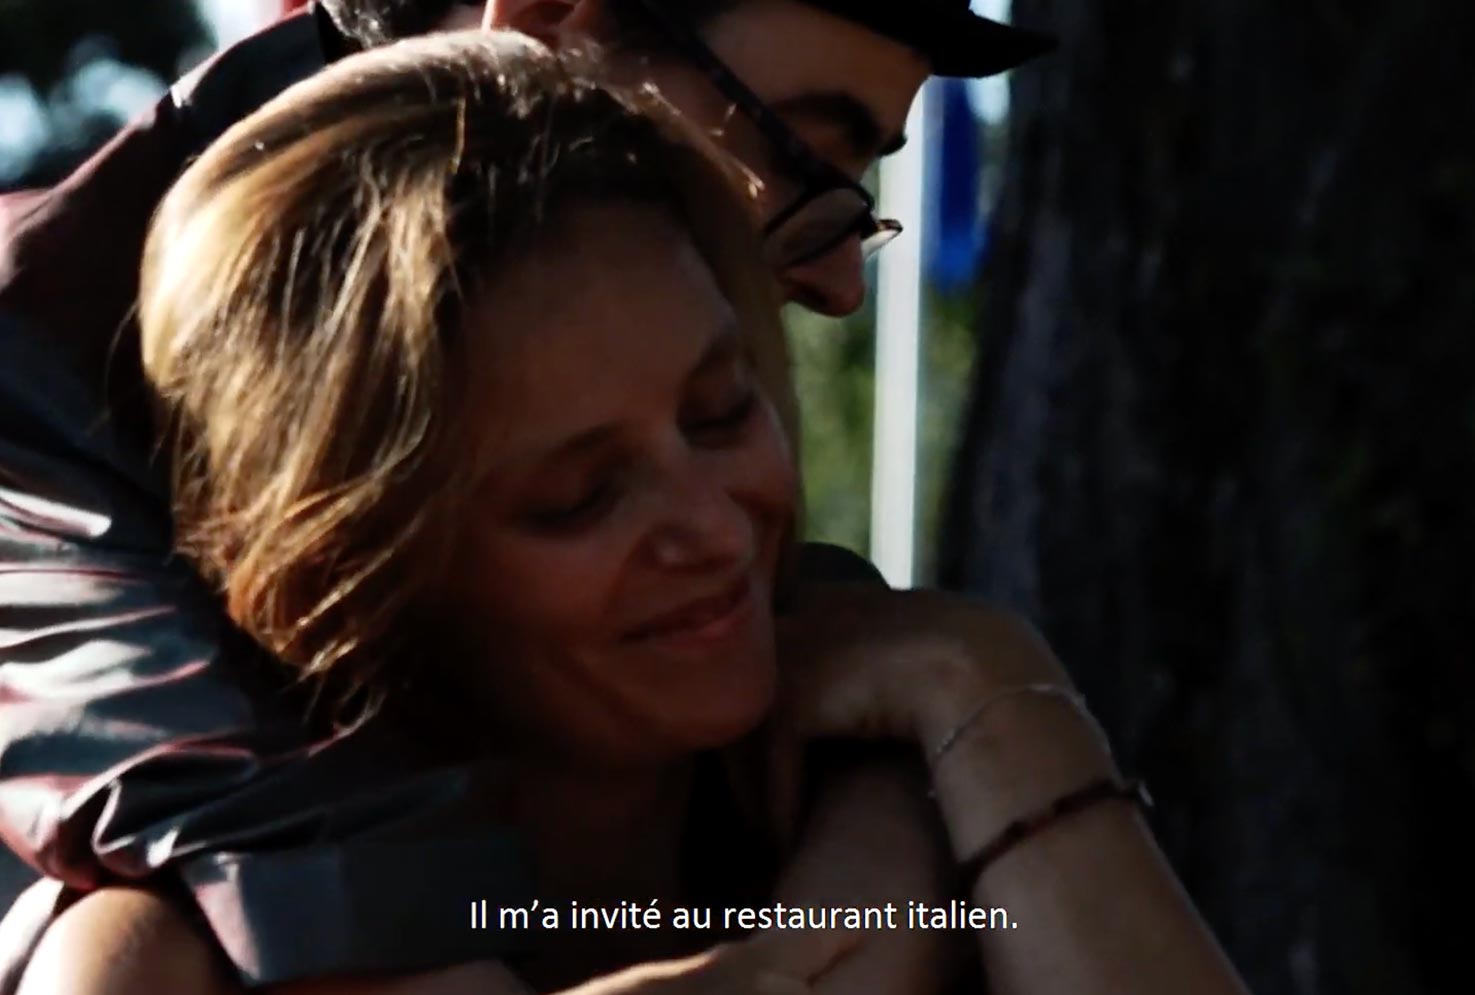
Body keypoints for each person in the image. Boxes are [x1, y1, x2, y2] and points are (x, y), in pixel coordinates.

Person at [13, 31, 1250, 995]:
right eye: (578, 495)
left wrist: (985, 683)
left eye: (721, 411)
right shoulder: (162, 962)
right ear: (359, 567)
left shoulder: (921, 771)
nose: (716, 527)